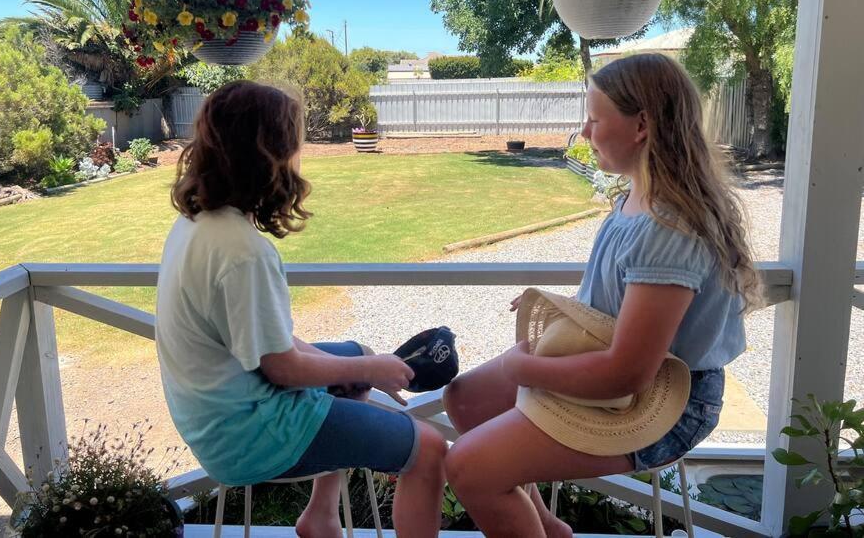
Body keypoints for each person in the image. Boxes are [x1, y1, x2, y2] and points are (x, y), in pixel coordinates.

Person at [442, 54, 758, 537]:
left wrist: (521, 368)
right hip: (624, 374)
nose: (584, 133)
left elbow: (626, 373)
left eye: (593, 118)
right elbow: (615, 306)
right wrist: (555, 313)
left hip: (667, 399)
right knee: (465, 400)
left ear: (641, 126)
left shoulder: (667, 229)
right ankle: (547, 528)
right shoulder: (635, 196)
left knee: (469, 468)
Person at [155, 81, 446, 538]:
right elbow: (281, 369)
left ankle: (321, 516)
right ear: (268, 154)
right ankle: (325, 515)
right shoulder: (243, 252)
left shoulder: (196, 223)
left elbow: (269, 341)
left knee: (352, 355)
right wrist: (369, 369)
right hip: (246, 433)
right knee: (429, 450)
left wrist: (359, 365)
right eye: (294, 145)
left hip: (215, 409)